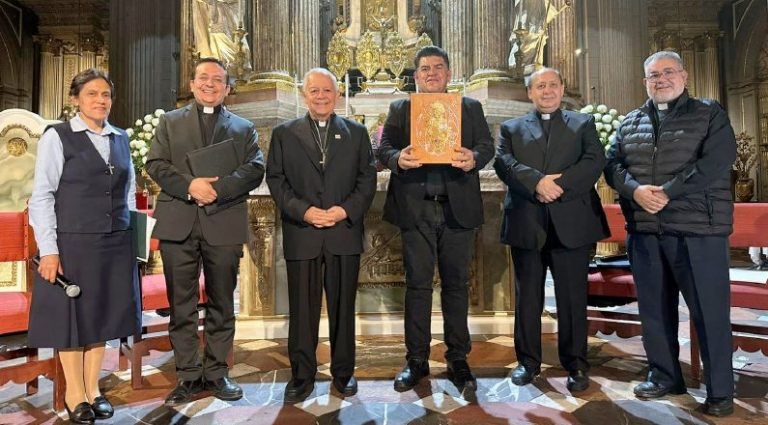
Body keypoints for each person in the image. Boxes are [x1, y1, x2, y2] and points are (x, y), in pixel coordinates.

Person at [604, 51, 737, 417]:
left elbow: (717, 160)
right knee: (654, 311)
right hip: (646, 230)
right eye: (653, 75)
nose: (660, 79)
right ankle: (664, 375)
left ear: (684, 76)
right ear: (644, 81)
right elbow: (612, 165)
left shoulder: (709, 113)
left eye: (667, 72)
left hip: (698, 230)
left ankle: (720, 390)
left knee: (709, 312)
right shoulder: (630, 121)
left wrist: (668, 191)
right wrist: (634, 191)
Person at [146, 57, 264, 406]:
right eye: (203, 78)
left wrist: (217, 189)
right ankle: (186, 376)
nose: (209, 84)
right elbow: (155, 164)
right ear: (193, 84)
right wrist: (190, 186)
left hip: (223, 220)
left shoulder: (243, 127)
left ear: (227, 88)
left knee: (222, 303)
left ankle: (216, 372)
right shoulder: (170, 122)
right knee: (181, 305)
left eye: (217, 79)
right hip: (178, 223)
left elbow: (255, 168)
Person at [378, 45, 495, 392]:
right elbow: (384, 148)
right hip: (416, 209)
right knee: (417, 286)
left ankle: (458, 358)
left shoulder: (469, 107)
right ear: (416, 76)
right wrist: (398, 158)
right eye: (425, 68)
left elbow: (486, 145)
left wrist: (474, 157)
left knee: (456, 286)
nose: (432, 73)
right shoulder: (401, 108)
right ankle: (416, 360)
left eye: (438, 67)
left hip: (456, 209)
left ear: (449, 73)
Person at [28, 68, 141, 424]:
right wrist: (49, 249)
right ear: (75, 99)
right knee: (73, 319)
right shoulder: (57, 136)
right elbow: (42, 196)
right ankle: (74, 393)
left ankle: (93, 389)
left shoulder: (121, 137)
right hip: (73, 243)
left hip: (116, 242)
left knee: (102, 317)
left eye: (106, 94)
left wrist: (134, 241)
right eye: (92, 94)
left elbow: (129, 194)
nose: (100, 100)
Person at [494, 67, 609, 392]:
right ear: (529, 93)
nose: (547, 91)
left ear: (561, 88)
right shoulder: (511, 128)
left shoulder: (583, 123)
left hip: (572, 222)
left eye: (553, 85)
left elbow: (594, 161)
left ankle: (576, 364)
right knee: (527, 298)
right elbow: (504, 163)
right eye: (540, 86)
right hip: (527, 222)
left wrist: (558, 186)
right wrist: (537, 183)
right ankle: (527, 362)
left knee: (572, 298)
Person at [266, 68, 377, 401]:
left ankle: (344, 372)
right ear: (304, 95)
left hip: (343, 231)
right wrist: (304, 211)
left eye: (327, 90)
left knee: (343, 308)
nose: (321, 96)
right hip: (303, 231)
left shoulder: (357, 133)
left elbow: (367, 179)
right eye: (314, 90)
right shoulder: (284, 134)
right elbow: (276, 180)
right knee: (302, 310)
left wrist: (344, 210)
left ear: (337, 94)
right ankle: (302, 375)